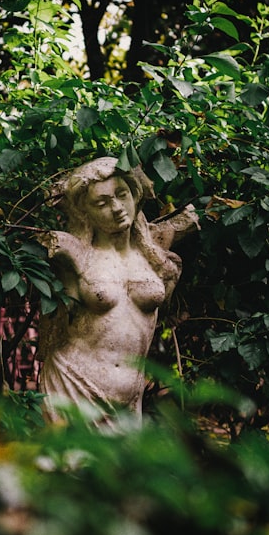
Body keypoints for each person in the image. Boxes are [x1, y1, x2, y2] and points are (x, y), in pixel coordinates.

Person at [37, 157, 198, 422]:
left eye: (121, 195)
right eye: (101, 203)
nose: (116, 208)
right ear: (84, 212)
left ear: (134, 193)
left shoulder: (154, 257)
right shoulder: (74, 255)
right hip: (73, 385)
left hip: (130, 400)